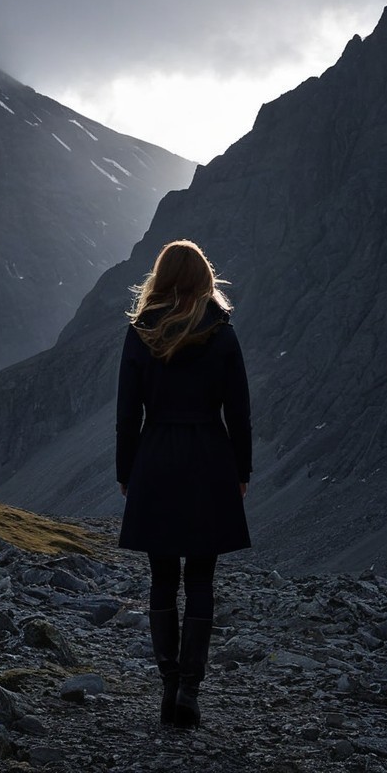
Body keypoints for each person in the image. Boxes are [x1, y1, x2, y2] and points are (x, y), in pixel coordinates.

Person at [116, 239, 252, 729]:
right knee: (200, 578)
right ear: (202, 279)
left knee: (161, 577)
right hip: (210, 459)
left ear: (161, 276)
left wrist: (126, 471)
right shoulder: (222, 331)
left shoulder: (140, 331)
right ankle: (190, 690)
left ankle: (169, 683)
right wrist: (241, 471)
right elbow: (238, 410)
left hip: (155, 458)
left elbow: (128, 412)